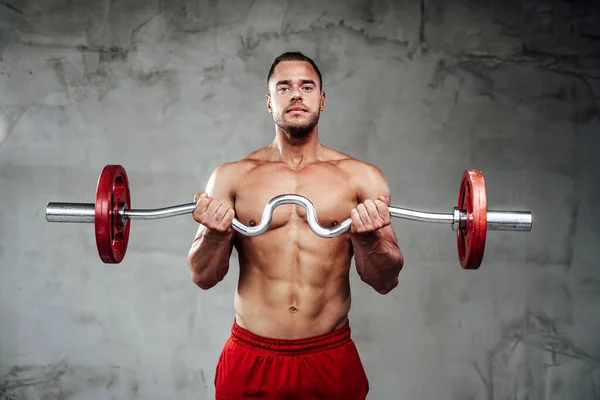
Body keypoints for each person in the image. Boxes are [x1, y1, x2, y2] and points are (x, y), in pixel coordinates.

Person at [187, 51, 404, 400]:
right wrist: (214, 233)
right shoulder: (232, 177)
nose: (297, 94)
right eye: (284, 87)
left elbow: (386, 280)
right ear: (269, 102)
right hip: (251, 355)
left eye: (307, 86)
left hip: (328, 356)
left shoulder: (361, 177)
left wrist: (368, 242)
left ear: (322, 98)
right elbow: (202, 276)